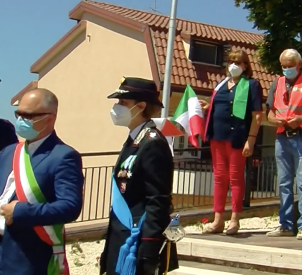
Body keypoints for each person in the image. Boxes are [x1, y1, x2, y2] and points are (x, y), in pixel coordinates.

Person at [0, 88, 84, 275]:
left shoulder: (64, 156)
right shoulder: (9, 152)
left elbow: (70, 207)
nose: (21, 120)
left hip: (29, 259)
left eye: (28, 116)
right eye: (19, 114)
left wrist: (20, 211)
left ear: (50, 118)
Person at [99, 77, 178, 275]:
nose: (117, 108)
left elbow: (158, 200)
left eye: (123, 103)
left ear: (140, 106)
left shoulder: (152, 143)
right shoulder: (134, 140)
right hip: (123, 238)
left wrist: (149, 250)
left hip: (138, 243)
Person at [265, 49, 302, 240]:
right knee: (283, 183)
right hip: (282, 137)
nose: (287, 69)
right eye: (284, 66)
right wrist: (274, 120)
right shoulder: (277, 82)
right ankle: (285, 224)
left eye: (290, 65)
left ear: (299, 64)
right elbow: (270, 111)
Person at [202, 49, 263, 235]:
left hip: (237, 138)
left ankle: (234, 220)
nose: (233, 65)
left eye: (238, 62)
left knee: (236, 178)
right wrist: (208, 107)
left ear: (245, 66)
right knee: (219, 178)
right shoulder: (221, 84)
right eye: (230, 62)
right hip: (217, 136)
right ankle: (217, 219)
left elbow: (257, 116)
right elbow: (218, 105)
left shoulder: (251, 85)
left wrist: (251, 140)